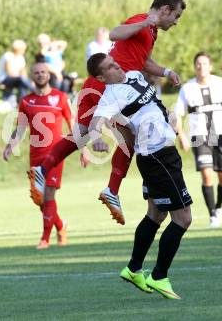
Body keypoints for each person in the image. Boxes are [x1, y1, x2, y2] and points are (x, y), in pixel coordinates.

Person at [28, 0, 186, 226]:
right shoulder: (141, 21)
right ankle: (112, 189)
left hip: (98, 83)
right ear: (165, 9)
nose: (175, 22)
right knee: (130, 139)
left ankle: (42, 168)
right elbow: (114, 34)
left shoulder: (151, 31)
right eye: (175, 16)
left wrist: (166, 72)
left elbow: (143, 62)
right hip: (112, 87)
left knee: (80, 134)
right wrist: (144, 22)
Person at [88, 53, 192, 300]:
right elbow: (95, 123)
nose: (117, 67)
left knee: (156, 214)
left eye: (115, 62)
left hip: (160, 151)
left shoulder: (134, 75)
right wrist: (96, 140)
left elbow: (153, 102)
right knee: (183, 218)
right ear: (102, 77)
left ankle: (134, 268)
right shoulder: (111, 96)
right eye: (110, 68)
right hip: (157, 155)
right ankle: (158, 276)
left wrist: (171, 118)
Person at [3, 62, 80, 249]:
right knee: (40, 200)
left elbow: (73, 125)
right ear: (32, 76)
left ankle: (45, 238)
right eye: (36, 73)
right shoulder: (26, 101)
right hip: (35, 156)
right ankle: (61, 226)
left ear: (49, 75)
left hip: (56, 154)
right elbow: (20, 128)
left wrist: (83, 150)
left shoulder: (60, 97)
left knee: (48, 194)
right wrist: (10, 145)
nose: (40, 75)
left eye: (43, 72)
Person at [175, 52, 222, 227]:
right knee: (207, 175)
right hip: (200, 137)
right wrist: (181, 135)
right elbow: (177, 115)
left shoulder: (220, 84)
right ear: (194, 67)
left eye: (205, 64)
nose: (201, 67)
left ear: (210, 67)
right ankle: (212, 214)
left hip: (220, 136)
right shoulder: (187, 88)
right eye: (198, 64)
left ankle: (219, 206)